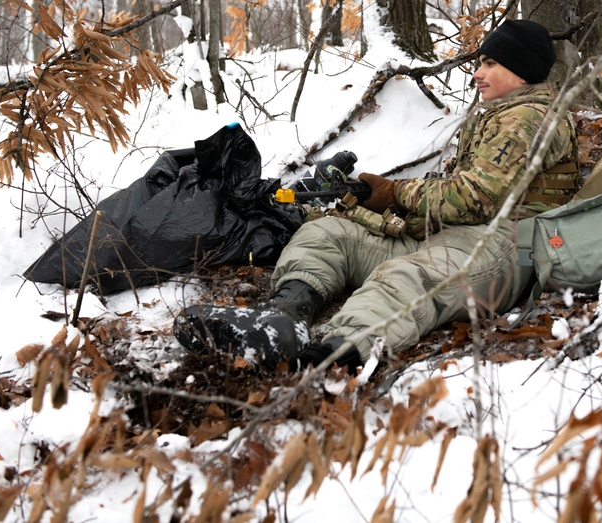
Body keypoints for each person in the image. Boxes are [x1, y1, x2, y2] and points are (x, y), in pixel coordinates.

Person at [174, 19, 580, 371]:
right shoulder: (499, 115)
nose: (477, 72)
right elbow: (457, 194)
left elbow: (476, 197)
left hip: (504, 244)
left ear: (522, 70)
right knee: (330, 233)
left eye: (490, 63)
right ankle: (281, 318)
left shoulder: (527, 119)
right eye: (480, 62)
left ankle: (321, 358)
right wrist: (380, 201)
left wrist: (396, 193)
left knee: (406, 277)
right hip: (454, 233)